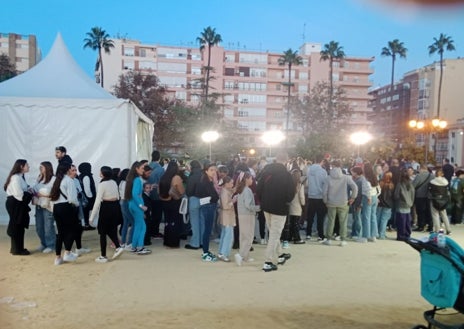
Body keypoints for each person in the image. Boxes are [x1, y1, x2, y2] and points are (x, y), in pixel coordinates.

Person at [256, 152, 294, 272]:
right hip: (280, 208)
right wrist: (285, 201)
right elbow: (291, 194)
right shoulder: (287, 175)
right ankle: (268, 261)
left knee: (273, 232)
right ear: (286, 161)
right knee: (274, 235)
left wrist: (263, 200)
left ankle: (280, 255)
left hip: (266, 206)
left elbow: (258, 189)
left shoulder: (266, 172)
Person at [89, 166, 124, 263]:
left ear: (103, 174)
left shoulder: (102, 184)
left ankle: (103, 255)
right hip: (115, 206)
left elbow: (97, 201)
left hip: (106, 208)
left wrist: (92, 217)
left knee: (102, 232)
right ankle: (118, 247)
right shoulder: (113, 182)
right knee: (111, 229)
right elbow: (118, 196)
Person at [50, 163, 80, 265]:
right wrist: (77, 204)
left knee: (60, 233)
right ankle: (67, 253)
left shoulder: (56, 180)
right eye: (71, 169)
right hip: (66, 207)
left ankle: (58, 258)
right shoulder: (69, 180)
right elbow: (72, 198)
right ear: (67, 170)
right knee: (73, 230)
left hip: (56, 207)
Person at [322, 160, 357, 246]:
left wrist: (325, 201)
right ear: (341, 167)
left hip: (331, 202)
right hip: (343, 202)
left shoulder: (328, 178)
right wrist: (353, 197)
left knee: (330, 221)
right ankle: (343, 240)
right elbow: (355, 187)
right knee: (343, 221)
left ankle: (328, 239)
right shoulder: (346, 177)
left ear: (332, 166)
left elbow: (324, 192)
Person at [4, 159, 33, 256]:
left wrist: (28, 190)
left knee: (19, 225)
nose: (28, 166)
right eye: (27, 165)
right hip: (15, 203)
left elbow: (24, 189)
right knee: (17, 225)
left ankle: (17, 248)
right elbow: (19, 195)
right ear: (21, 166)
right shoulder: (16, 178)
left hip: (16, 203)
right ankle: (17, 250)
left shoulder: (19, 177)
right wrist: (29, 193)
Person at [125, 161, 151, 255]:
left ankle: (134, 247)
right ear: (136, 169)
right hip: (137, 206)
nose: (144, 170)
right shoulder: (137, 180)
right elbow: (135, 194)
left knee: (138, 226)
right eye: (142, 168)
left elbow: (133, 194)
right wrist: (141, 205)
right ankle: (140, 247)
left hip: (132, 205)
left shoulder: (133, 179)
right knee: (142, 227)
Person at [234, 172, 260, 266]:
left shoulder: (241, 190)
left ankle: (245, 256)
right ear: (247, 179)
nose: (252, 180)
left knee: (243, 236)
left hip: (242, 215)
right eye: (251, 178)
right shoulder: (247, 190)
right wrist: (258, 208)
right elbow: (248, 205)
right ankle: (241, 255)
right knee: (248, 236)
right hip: (248, 215)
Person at [195, 163, 219, 262]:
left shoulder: (208, 181)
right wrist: (213, 198)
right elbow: (214, 196)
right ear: (206, 171)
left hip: (209, 206)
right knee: (207, 230)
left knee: (208, 230)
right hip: (208, 207)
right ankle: (205, 252)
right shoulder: (205, 182)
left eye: (215, 170)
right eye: (211, 170)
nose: (214, 172)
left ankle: (206, 250)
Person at [159, 160, 185, 248]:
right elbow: (181, 191)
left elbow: (159, 190)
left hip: (164, 202)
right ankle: (173, 242)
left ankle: (167, 241)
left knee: (168, 222)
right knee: (175, 222)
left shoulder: (163, 177)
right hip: (174, 202)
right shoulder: (176, 177)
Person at [32, 161, 56, 253]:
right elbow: (35, 188)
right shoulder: (39, 178)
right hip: (39, 205)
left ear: (47, 167)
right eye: (40, 167)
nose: (40, 168)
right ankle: (44, 243)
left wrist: (42, 194)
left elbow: (54, 193)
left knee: (48, 226)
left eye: (42, 167)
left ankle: (51, 245)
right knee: (39, 227)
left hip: (48, 206)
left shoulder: (53, 179)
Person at [305, 155, 328, 242]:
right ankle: (320, 235)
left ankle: (308, 234)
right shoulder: (323, 171)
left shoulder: (309, 169)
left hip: (311, 195)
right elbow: (325, 183)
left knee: (310, 216)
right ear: (322, 161)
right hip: (320, 196)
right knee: (320, 217)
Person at [282, 169, 306, 245]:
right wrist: (303, 204)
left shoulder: (288, 185)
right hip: (297, 207)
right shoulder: (300, 185)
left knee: (291, 223)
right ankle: (297, 238)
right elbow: (301, 197)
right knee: (296, 223)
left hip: (290, 207)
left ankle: (289, 237)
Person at [184, 160, 203, 250]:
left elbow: (189, 191)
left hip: (194, 199)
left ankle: (195, 243)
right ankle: (202, 241)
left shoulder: (192, 177)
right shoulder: (204, 175)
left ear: (191, 167)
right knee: (202, 222)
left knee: (194, 223)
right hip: (204, 200)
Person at [147, 150, 165, 239]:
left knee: (149, 214)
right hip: (157, 195)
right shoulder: (160, 169)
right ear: (159, 158)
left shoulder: (147, 167)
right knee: (157, 214)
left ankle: (149, 231)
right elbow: (162, 183)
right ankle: (155, 232)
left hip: (147, 194)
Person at [393, 168, 415, 241]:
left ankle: (401, 235)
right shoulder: (410, 183)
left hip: (401, 204)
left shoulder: (400, 184)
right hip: (409, 204)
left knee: (401, 221)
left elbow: (396, 195)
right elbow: (413, 193)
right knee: (407, 220)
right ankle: (407, 234)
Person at [428, 169, 452, 234]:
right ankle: (448, 230)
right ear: (442, 174)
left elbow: (429, 190)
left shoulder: (432, 182)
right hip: (443, 200)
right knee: (444, 215)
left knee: (435, 215)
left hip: (434, 200)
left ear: (436, 174)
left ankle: (437, 230)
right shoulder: (446, 182)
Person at [217, 176, 235, 262]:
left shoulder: (225, 190)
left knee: (225, 235)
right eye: (231, 183)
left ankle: (221, 252)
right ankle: (224, 254)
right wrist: (233, 201)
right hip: (227, 216)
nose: (232, 184)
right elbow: (225, 205)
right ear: (226, 183)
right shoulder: (224, 192)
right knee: (228, 236)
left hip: (226, 216)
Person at [412, 164, 434, 232]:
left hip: (420, 196)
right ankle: (430, 226)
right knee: (428, 211)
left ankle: (421, 226)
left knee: (420, 211)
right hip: (429, 196)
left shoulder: (419, 176)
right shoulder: (432, 176)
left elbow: (413, 185)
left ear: (421, 169)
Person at [118, 168, 134, 250]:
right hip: (126, 202)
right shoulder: (126, 183)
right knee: (133, 222)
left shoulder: (121, 182)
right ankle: (129, 242)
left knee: (125, 223)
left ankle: (123, 242)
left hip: (122, 202)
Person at [78, 162, 96, 230]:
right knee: (86, 211)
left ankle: (86, 224)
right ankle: (86, 224)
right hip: (87, 197)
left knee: (85, 211)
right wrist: (91, 197)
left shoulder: (81, 175)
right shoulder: (86, 176)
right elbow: (87, 188)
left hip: (83, 197)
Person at [377, 171, 395, 239]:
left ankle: (376, 233)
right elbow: (392, 196)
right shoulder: (392, 185)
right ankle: (382, 234)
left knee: (378, 218)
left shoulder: (380, 183)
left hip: (380, 203)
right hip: (388, 204)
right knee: (384, 220)